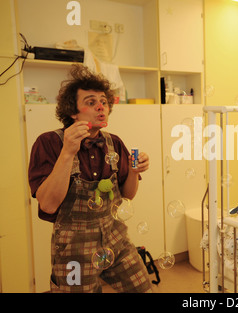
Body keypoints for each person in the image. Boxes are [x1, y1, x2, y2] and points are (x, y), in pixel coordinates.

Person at [28, 64, 153, 293]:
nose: (101, 107)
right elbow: (47, 204)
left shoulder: (114, 142)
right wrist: (67, 153)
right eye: (91, 102)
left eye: (104, 102)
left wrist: (134, 171)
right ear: (73, 112)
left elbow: (128, 194)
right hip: (73, 249)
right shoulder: (49, 143)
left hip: (115, 238)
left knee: (142, 287)